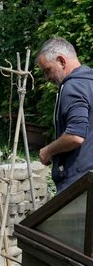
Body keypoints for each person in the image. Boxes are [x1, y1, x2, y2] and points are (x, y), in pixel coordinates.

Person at [36, 37, 93, 193]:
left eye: (47, 70)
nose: (47, 78)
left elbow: (75, 135)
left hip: (79, 185)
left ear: (61, 61)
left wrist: (48, 151)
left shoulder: (72, 86)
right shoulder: (90, 82)